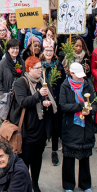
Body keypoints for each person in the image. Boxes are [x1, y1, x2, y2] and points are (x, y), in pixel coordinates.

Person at [13, 56, 56, 192]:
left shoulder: (43, 82)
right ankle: (24, 185)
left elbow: (50, 98)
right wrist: (38, 96)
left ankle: (34, 183)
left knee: (37, 160)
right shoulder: (21, 83)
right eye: (38, 68)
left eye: (40, 67)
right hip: (27, 130)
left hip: (41, 129)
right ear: (30, 69)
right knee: (25, 161)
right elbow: (23, 102)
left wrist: (48, 102)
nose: (40, 70)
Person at [59, 63, 95, 192]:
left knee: (85, 158)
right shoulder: (65, 86)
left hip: (86, 127)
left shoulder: (87, 84)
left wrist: (90, 111)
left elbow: (94, 103)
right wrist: (80, 106)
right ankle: (69, 185)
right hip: (71, 126)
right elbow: (63, 106)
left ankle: (85, 184)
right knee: (68, 158)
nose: (80, 78)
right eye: (77, 75)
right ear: (71, 74)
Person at [40, 39, 65, 167]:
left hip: (55, 101)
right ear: (43, 51)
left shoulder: (58, 65)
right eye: (46, 50)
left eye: (50, 50)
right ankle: (41, 148)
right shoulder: (39, 65)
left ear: (54, 51)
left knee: (55, 127)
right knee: (43, 125)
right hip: (43, 101)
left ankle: (54, 151)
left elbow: (64, 82)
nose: (48, 53)